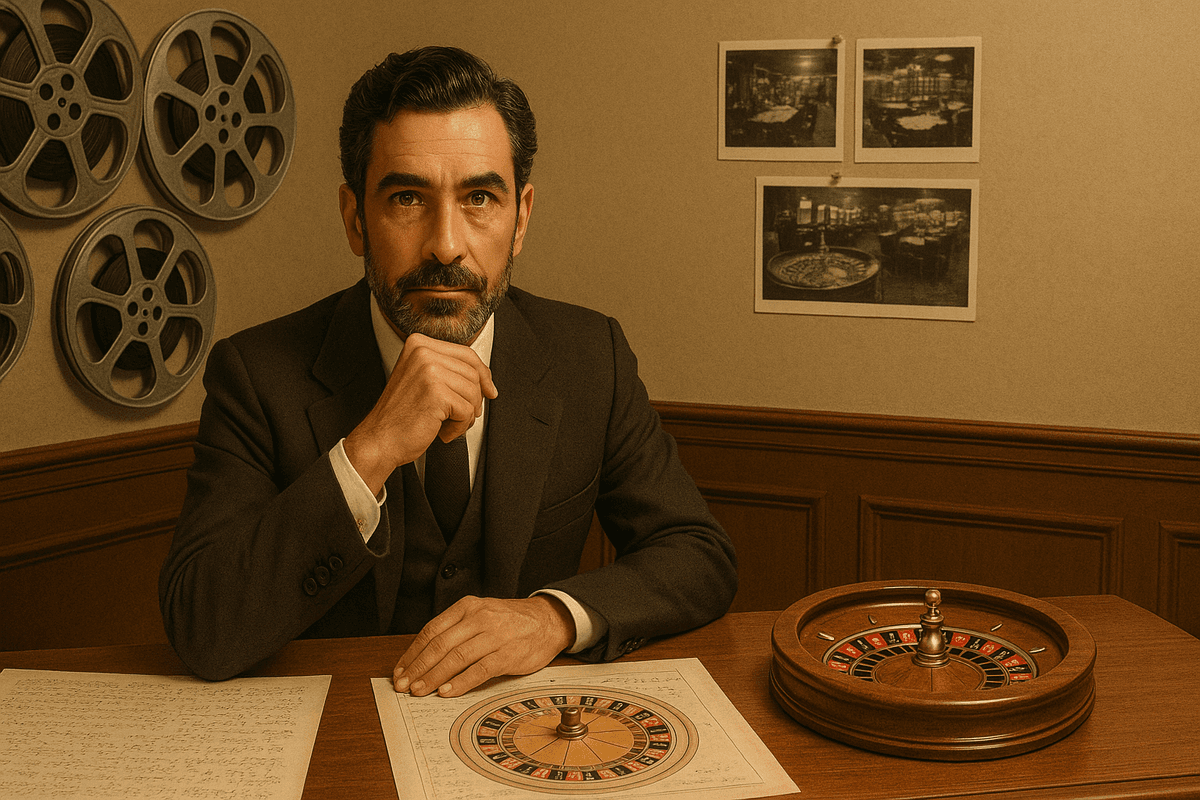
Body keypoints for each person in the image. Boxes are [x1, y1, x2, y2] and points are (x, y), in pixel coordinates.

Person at [159, 46, 737, 695]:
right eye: (408, 197)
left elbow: (698, 555)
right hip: (339, 739)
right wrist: (365, 455)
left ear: (520, 219)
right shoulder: (254, 374)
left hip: (521, 739)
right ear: (356, 219)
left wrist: (551, 618)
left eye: (479, 198)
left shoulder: (589, 356)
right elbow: (202, 626)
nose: (445, 244)